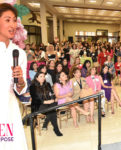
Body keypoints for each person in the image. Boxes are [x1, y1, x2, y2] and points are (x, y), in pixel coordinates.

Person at [0, 3, 28, 149]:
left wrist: (21, 80)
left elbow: (20, 89)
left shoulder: (19, 53)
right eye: (7, 19)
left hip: (7, 111)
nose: (12, 24)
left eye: (14, 20)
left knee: (7, 144)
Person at [30, 72, 63, 136]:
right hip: (39, 105)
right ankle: (56, 129)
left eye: (44, 76)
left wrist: (53, 99)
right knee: (52, 111)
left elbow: (51, 93)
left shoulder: (47, 84)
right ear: (36, 78)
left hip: (49, 103)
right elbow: (35, 99)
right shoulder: (32, 87)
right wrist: (45, 102)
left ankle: (46, 124)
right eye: (41, 76)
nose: (43, 78)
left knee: (53, 106)